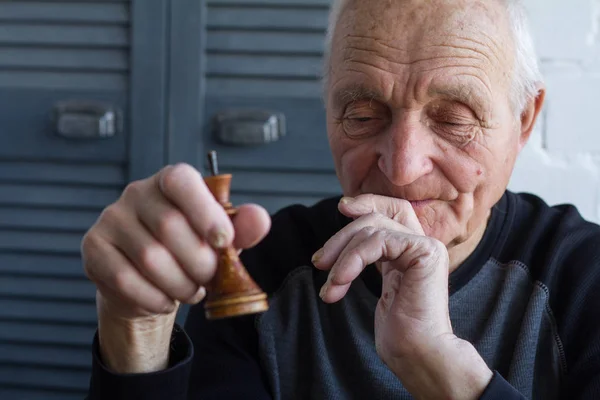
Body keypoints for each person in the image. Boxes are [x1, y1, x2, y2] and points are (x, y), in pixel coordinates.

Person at [83, 0, 600, 398]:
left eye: (453, 118)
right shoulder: (261, 271)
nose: (401, 167)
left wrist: (438, 367)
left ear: (524, 121)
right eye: (363, 112)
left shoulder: (585, 279)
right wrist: (136, 331)